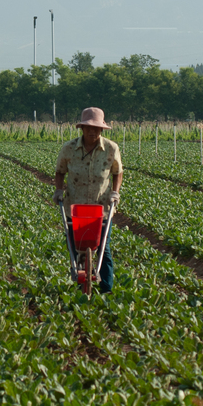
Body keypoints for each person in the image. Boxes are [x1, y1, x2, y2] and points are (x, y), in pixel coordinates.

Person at [53, 107, 123, 293]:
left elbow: (118, 172)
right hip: (75, 208)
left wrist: (115, 193)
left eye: (97, 128)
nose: (93, 131)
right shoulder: (69, 148)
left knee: (103, 251)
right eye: (89, 127)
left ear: (102, 129)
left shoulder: (111, 148)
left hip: (101, 208)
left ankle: (106, 289)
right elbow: (60, 171)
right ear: (82, 128)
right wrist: (59, 190)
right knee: (76, 249)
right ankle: (79, 284)